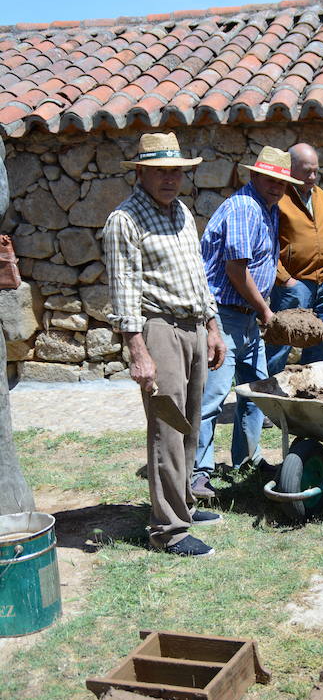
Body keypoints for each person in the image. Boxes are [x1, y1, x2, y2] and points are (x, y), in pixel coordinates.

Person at [103, 132, 226, 557]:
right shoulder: (125, 220)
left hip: (192, 325)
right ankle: (168, 530)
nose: (170, 179)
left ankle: (183, 504)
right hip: (158, 329)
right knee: (167, 429)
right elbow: (123, 291)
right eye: (160, 171)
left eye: (176, 171)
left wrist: (212, 324)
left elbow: (197, 274)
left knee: (189, 422)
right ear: (141, 172)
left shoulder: (182, 213)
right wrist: (138, 351)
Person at [191, 146, 291, 497]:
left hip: (247, 317)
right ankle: (197, 474)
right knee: (213, 397)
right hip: (223, 314)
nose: (275, 186)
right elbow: (236, 271)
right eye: (269, 179)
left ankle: (247, 458)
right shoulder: (244, 208)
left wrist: (261, 309)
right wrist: (266, 311)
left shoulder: (269, 208)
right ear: (253, 176)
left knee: (257, 391)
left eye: (281, 181)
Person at [265, 143, 323, 377]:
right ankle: (268, 400)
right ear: (290, 169)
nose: (313, 176)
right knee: (280, 344)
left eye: (316, 171)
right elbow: (266, 244)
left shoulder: (320, 196)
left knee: (321, 341)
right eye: (307, 171)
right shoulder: (279, 199)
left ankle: (314, 394)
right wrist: (285, 280)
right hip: (293, 286)